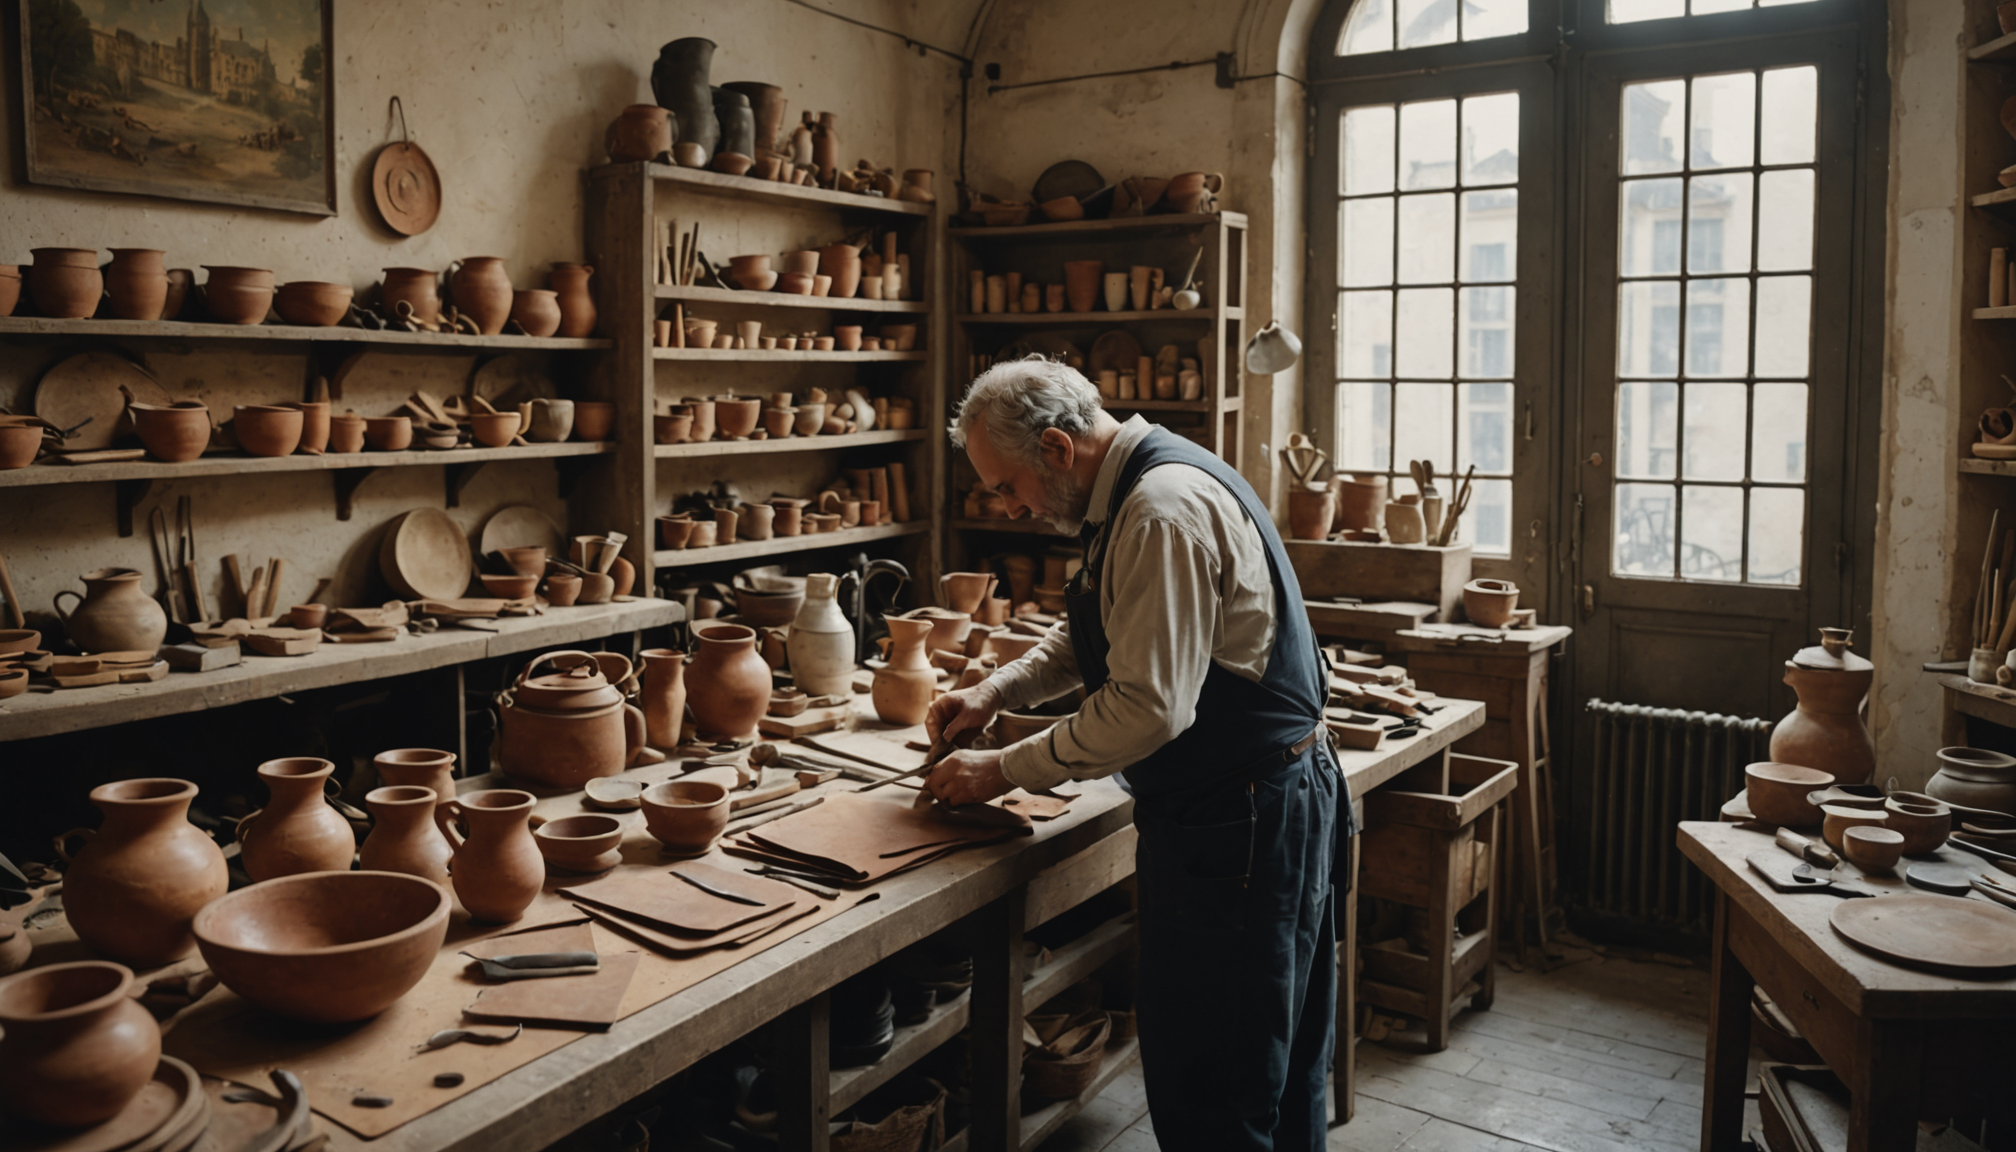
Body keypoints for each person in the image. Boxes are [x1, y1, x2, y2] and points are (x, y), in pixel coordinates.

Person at [924, 357, 1352, 1151]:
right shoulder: (1130, 488)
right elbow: (1101, 627)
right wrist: (996, 691)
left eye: (1009, 486)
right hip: (1251, 807)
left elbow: (1147, 707)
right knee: (1269, 1073)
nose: (1010, 509)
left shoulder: (1160, 509)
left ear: (1057, 447)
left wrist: (1002, 769)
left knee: (1219, 1089)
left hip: (1245, 823)